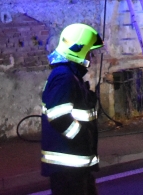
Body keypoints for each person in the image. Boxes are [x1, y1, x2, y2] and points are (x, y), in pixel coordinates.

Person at [41, 23, 104, 195]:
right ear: (78, 50)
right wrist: (81, 138)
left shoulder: (70, 76)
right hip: (68, 168)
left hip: (75, 166)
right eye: (89, 51)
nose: (91, 56)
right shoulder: (64, 77)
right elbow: (58, 116)